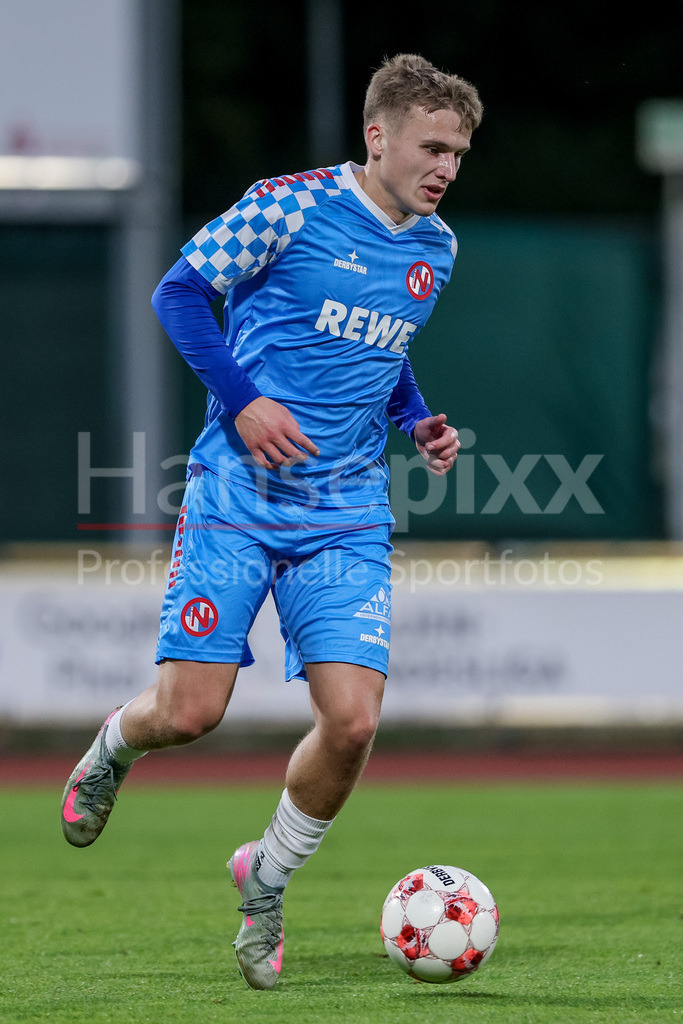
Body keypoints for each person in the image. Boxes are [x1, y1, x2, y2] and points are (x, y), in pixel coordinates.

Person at [60, 53, 483, 990]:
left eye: (458, 150)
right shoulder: (287, 204)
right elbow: (178, 291)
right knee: (190, 713)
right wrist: (244, 401)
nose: (447, 166)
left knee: (352, 723)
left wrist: (415, 419)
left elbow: (383, 353)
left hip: (344, 513)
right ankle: (111, 749)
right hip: (235, 499)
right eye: (432, 146)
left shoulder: (435, 249)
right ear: (376, 137)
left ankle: (266, 882)